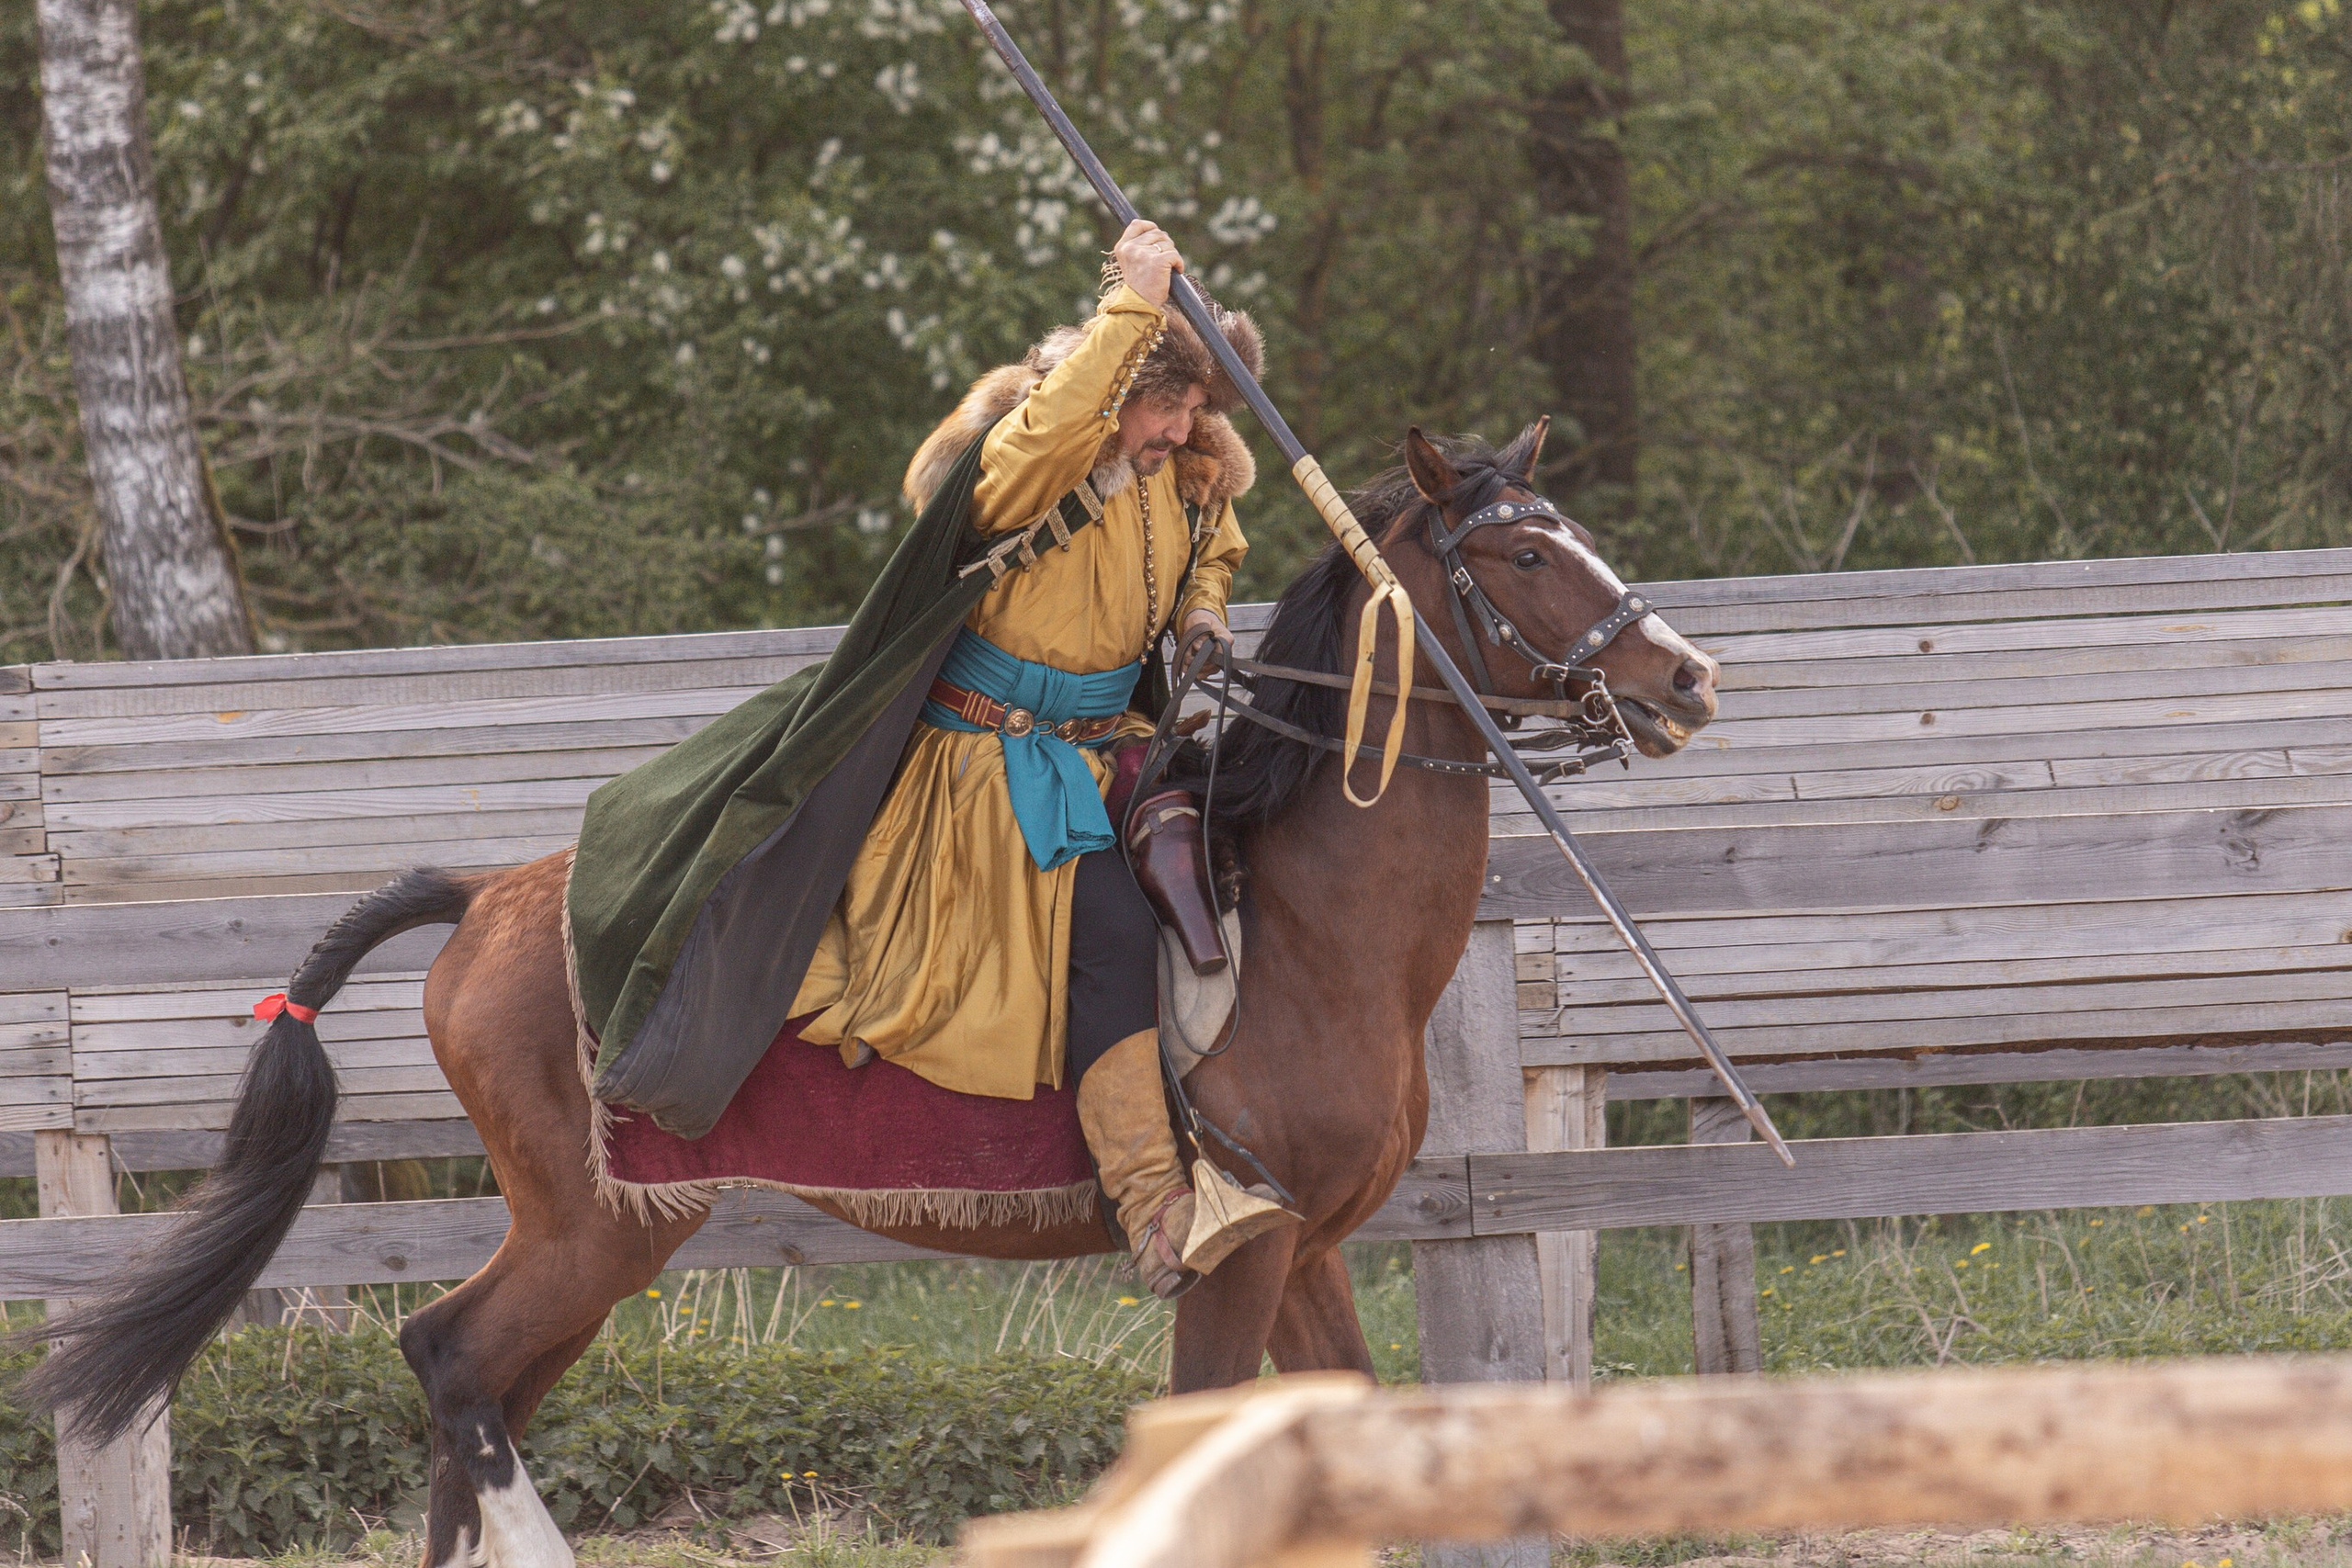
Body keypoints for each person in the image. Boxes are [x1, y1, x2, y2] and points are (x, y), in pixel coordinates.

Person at [785, 219, 1289, 1297]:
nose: (1184, 425)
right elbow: (1034, 447)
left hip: (1115, 745)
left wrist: (1202, 618)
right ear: (1115, 388)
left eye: (1200, 406)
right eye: (1169, 400)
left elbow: (1216, 553)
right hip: (986, 767)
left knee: (1247, 866)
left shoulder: (1185, 470)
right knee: (1109, 922)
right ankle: (1157, 1212)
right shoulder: (1030, 452)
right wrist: (1131, 305)